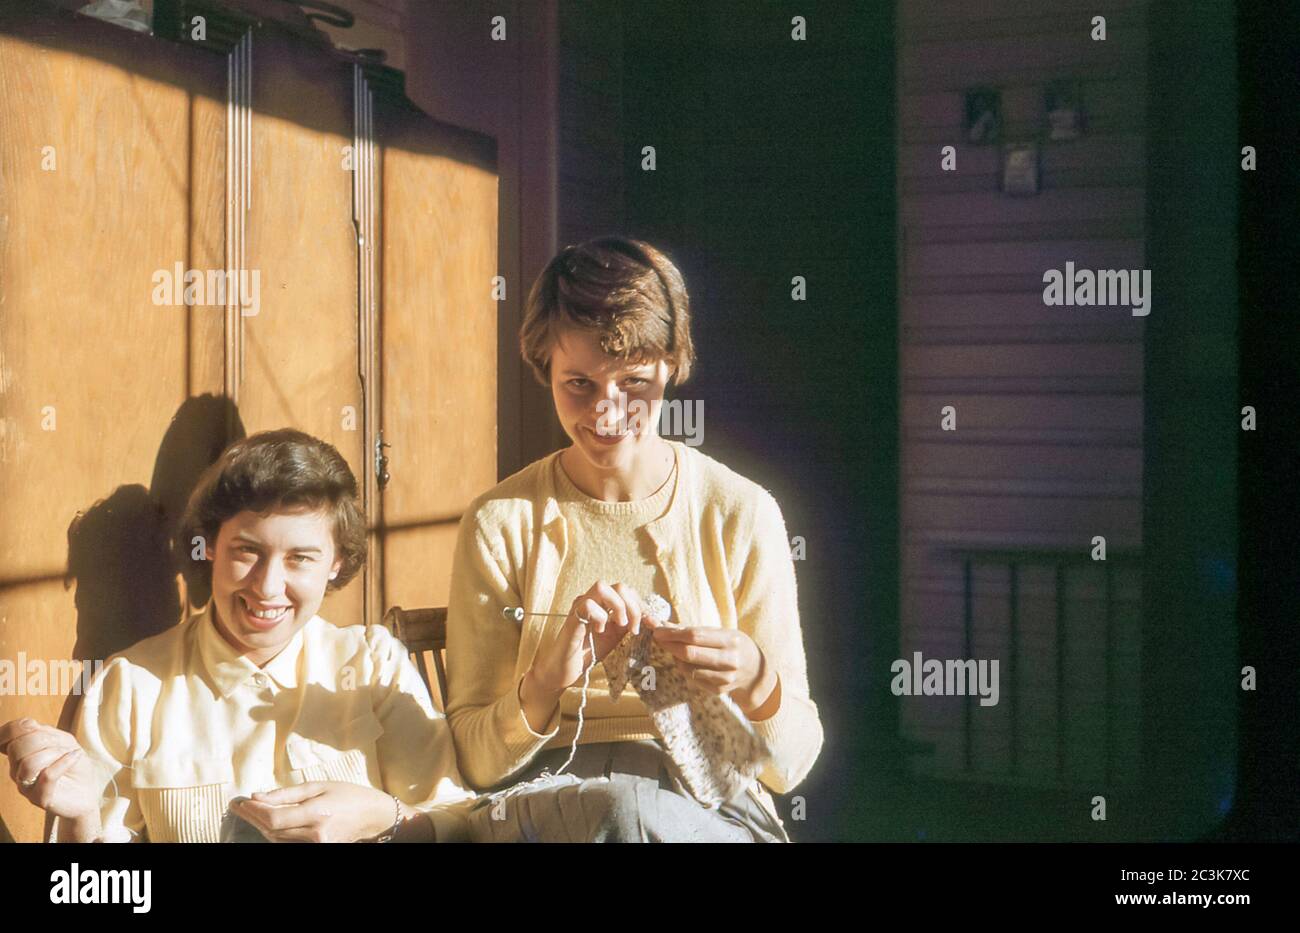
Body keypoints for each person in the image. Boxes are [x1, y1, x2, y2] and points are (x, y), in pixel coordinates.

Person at [446, 236, 823, 842]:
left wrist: (755, 679)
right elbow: (477, 759)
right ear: (544, 367)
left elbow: (792, 766)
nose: (607, 409)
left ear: (673, 364)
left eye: (634, 381)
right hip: (549, 793)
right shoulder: (501, 523)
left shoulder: (741, 513)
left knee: (632, 816)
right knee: (622, 812)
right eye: (579, 384)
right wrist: (545, 682)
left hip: (713, 802)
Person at [0, 429, 474, 842]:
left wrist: (383, 817)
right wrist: (83, 816)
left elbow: (460, 824)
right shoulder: (131, 684)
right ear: (209, 549)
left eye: (300, 558)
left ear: (337, 563)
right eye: (247, 551)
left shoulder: (374, 666)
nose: (267, 587)